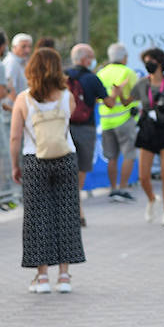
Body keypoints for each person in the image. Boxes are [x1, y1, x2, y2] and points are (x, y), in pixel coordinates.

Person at [10, 47, 85, 293]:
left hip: (34, 160)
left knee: (37, 217)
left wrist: (15, 165)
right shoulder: (67, 96)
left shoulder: (23, 99)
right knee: (66, 214)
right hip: (65, 157)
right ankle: (64, 276)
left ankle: (42, 277)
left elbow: (15, 137)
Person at [131, 47, 164, 226]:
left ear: (160, 62)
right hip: (148, 129)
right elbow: (127, 100)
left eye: (151, 61)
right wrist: (118, 94)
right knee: (144, 176)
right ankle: (152, 198)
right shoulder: (141, 84)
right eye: (146, 62)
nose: (148, 65)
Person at [64, 44, 110, 223]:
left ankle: (73, 208)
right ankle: (77, 208)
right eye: (91, 57)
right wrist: (117, 93)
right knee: (81, 168)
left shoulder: (63, 76)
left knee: (67, 168)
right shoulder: (92, 78)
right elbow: (110, 103)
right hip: (85, 127)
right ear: (85, 59)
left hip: (65, 127)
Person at [97, 42, 140, 202]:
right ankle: (122, 188)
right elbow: (135, 95)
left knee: (111, 157)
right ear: (124, 58)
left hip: (106, 121)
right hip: (124, 119)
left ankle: (113, 189)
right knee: (129, 155)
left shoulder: (101, 73)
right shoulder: (128, 72)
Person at [3, 33, 33, 103]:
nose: (27, 50)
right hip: (11, 110)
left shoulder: (23, 61)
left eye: (29, 47)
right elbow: (9, 88)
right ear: (14, 47)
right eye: (23, 47)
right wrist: (19, 107)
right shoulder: (11, 62)